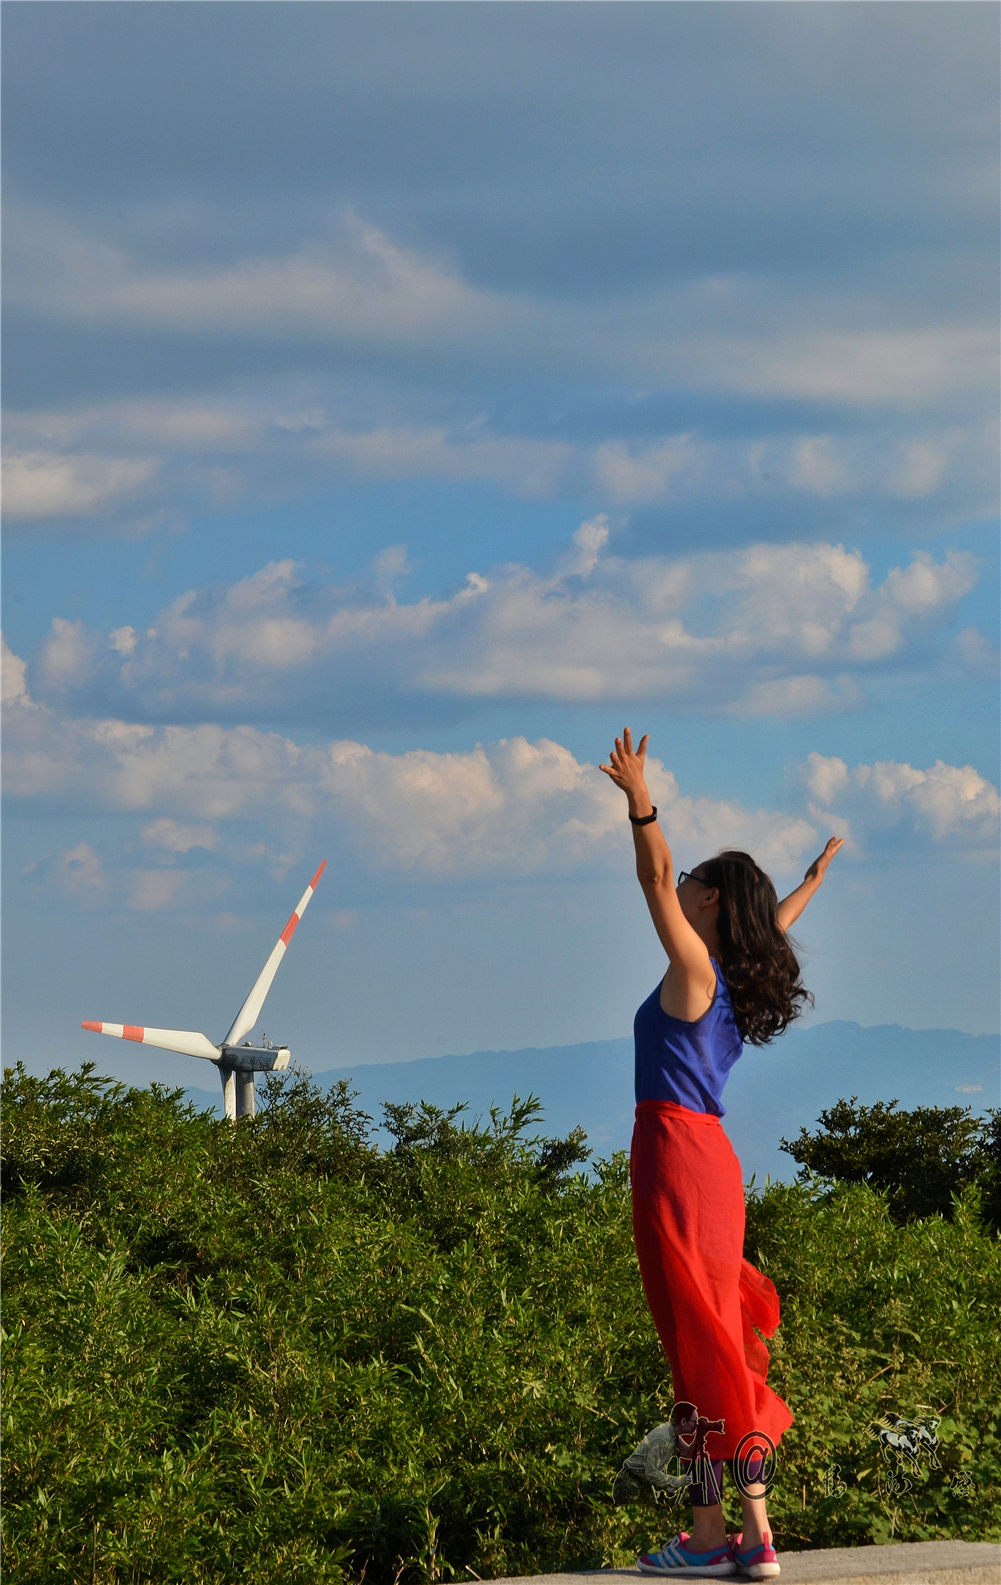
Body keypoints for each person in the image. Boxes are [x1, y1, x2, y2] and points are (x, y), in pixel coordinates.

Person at [600, 728, 843, 1579]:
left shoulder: (697, 969)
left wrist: (641, 800)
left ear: (706, 905)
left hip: (670, 1148)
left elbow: (654, 875)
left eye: (699, 881)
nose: (687, 883)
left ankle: (713, 1538)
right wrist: (809, 881)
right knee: (716, 1336)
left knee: (692, 1342)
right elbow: (771, 923)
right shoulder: (739, 975)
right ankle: (755, 1532)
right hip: (713, 1161)